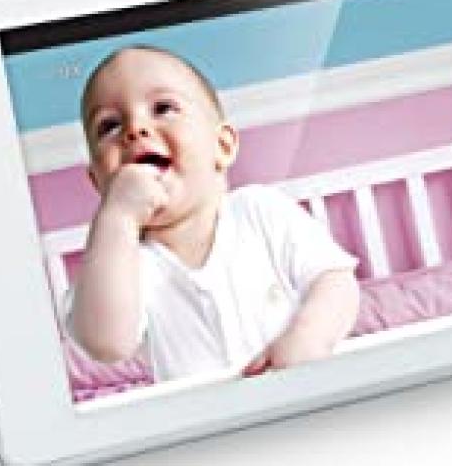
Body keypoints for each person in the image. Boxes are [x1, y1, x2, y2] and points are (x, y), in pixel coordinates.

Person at [68, 45, 359, 382]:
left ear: (222, 146)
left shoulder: (260, 211)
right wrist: (117, 217)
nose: (135, 129)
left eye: (163, 108)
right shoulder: (127, 266)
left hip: (303, 390)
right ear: (99, 182)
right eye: (109, 126)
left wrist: (308, 336)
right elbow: (106, 343)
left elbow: (335, 281)